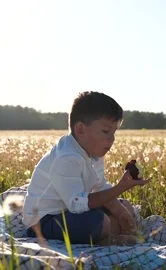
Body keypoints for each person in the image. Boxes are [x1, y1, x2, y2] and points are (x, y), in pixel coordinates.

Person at [22, 91, 150, 246]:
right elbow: (77, 205)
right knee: (100, 222)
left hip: (70, 212)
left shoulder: (93, 153)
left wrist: (121, 212)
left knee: (125, 208)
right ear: (81, 130)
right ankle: (108, 238)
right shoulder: (67, 157)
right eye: (105, 131)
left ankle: (110, 230)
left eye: (114, 132)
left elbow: (99, 187)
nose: (112, 138)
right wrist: (119, 188)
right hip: (43, 221)